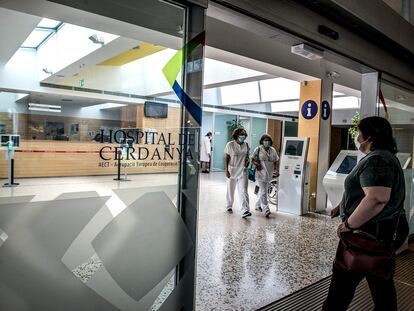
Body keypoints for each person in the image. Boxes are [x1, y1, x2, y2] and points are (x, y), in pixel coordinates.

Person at [323, 116, 409, 311]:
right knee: (381, 286)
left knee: (340, 290)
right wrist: (342, 205)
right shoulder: (383, 157)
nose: (357, 136)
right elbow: (365, 192)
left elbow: (376, 199)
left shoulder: (377, 160)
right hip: (378, 234)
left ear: (369, 136)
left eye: (359, 132)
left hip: (365, 235)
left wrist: (349, 225)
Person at [225, 128, 251, 218]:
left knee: (243, 190)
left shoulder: (246, 145)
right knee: (230, 189)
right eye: (241, 134)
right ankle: (229, 206)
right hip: (232, 169)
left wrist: (248, 161)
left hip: (243, 170)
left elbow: (247, 156)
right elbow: (227, 157)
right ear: (236, 135)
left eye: (244, 134)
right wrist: (226, 170)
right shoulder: (230, 144)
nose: (243, 136)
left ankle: (245, 210)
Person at [251, 134, 279, 218]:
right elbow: (252, 159)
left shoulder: (273, 150)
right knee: (263, 191)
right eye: (265, 140)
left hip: (269, 173)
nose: (267, 142)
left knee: (263, 190)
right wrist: (256, 164)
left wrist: (276, 170)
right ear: (262, 141)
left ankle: (257, 205)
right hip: (260, 173)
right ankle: (266, 209)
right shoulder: (258, 149)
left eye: (268, 140)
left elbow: (276, 160)